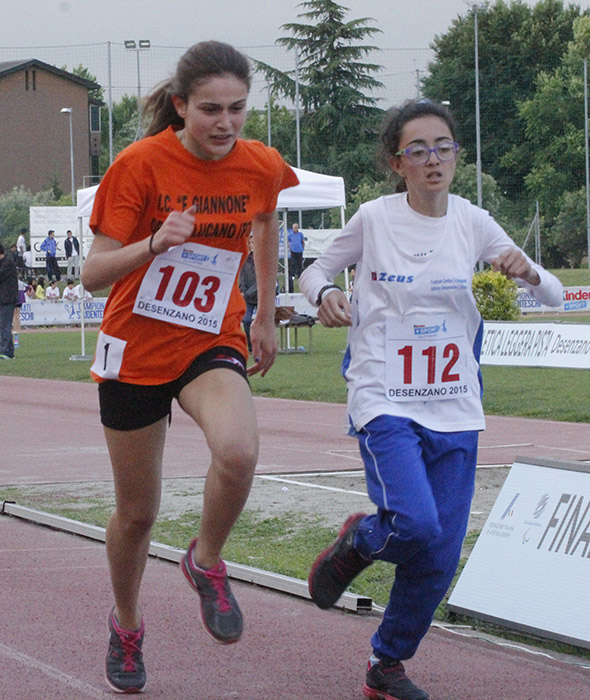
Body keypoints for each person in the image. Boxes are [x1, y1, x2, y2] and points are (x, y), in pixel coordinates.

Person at [299, 99, 563, 700]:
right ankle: (360, 541)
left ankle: (386, 664)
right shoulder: (374, 218)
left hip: (455, 403)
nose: (432, 160)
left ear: (456, 155)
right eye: (417, 151)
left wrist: (527, 271)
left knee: (440, 552)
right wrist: (326, 295)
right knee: (415, 523)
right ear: (398, 163)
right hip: (384, 397)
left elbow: (550, 292)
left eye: (443, 147)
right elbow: (315, 271)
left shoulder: (473, 221)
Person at [80, 40, 298, 694]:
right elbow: (92, 274)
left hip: (210, 336)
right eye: (210, 110)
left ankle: (207, 560)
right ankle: (126, 624)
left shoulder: (260, 164)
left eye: (237, 108)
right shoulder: (140, 165)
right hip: (136, 348)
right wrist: (154, 243)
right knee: (137, 514)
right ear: (180, 105)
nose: (226, 123)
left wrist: (264, 313)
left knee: (239, 451)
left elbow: (266, 222)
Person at [238, 235, 257, 352]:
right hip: (248, 296)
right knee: (246, 320)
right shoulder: (245, 260)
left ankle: (261, 345)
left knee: (261, 321)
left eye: (253, 242)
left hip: (261, 297)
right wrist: (243, 291)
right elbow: (242, 277)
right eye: (250, 243)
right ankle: (251, 345)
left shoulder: (264, 260)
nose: (251, 245)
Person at [0, 243, 18, 359]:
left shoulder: (7, 264)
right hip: (4, 299)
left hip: (7, 299)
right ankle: (10, 352)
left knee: (4, 326)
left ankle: (4, 351)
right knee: (4, 325)